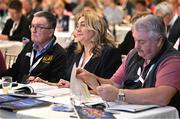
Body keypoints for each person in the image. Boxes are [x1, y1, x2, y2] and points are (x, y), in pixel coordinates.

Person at [76, 15, 180, 114]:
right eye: (135, 40)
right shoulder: (133, 54)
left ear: (159, 41)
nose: (136, 46)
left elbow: (161, 96)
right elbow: (114, 84)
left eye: (142, 42)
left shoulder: (172, 60)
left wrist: (119, 95)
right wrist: (91, 79)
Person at [34, 10, 122, 88]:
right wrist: (45, 83)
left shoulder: (110, 53)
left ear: (95, 29)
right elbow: (65, 84)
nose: (78, 29)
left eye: (83, 25)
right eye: (77, 26)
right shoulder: (74, 51)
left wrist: (73, 88)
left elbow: (109, 89)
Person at [0, 11, 67, 83]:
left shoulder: (59, 54)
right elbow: (14, 71)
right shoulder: (29, 46)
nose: (33, 30)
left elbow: (56, 84)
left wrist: (42, 83)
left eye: (39, 27)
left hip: (41, 93)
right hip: (20, 92)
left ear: (51, 32)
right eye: (32, 26)